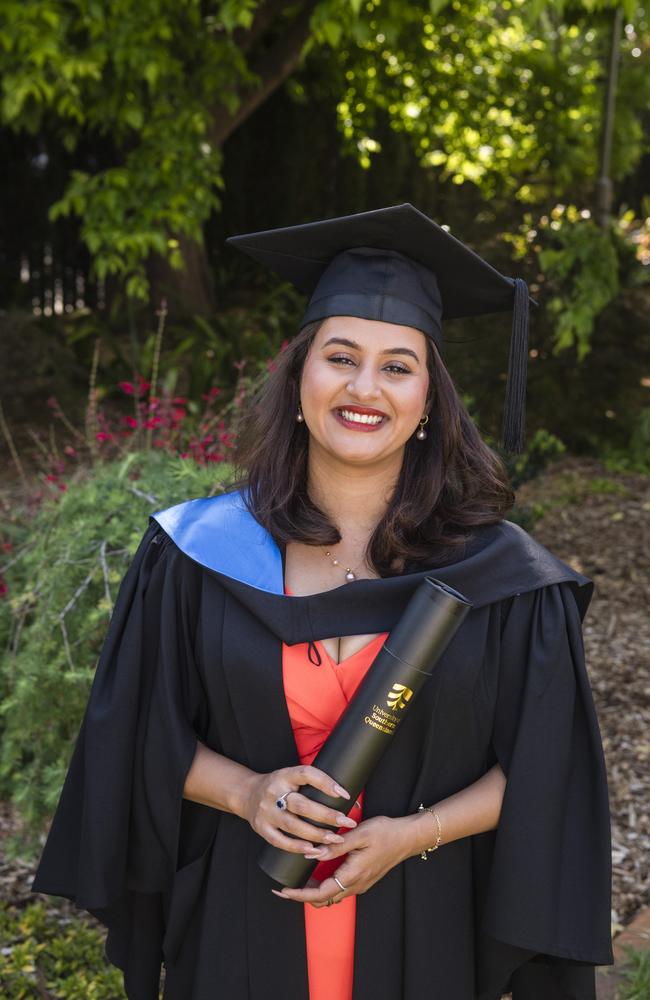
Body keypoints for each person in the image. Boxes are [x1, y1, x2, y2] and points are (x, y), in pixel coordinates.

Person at [32, 204, 613, 999]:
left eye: (398, 366)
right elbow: (138, 727)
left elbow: (549, 766)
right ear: (300, 377)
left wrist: (412, 836)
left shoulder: (501, 575)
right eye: (341, 357)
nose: (364, 388)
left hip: (423, 924)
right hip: (242, 916)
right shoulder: (197, 552)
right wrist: (246, 792)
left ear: (430, 403)